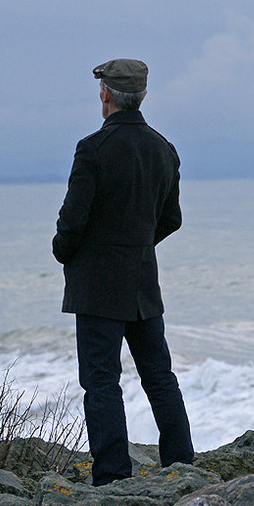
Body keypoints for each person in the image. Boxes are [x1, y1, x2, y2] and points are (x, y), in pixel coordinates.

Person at [53, 58, 194, 483]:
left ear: (106, 95)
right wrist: (136, 247)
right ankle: (181, 466)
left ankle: (113, 476)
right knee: (159, 377)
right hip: (142, 283)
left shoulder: (91, 149)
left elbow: (72, 222)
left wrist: (65, 251)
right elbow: (171, 219)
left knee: (101, 382)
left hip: (97, 287)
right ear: (143, 96)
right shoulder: (164, 149)